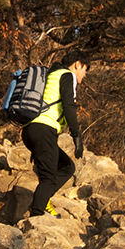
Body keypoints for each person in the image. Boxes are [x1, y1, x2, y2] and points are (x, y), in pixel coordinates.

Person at [23, 54, 89, 218]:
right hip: (44, 129)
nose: (85, 74)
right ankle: (36, 217)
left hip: (31, 128)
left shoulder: (51, 74)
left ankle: (43, 199)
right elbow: (68, 106)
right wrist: (77, 136)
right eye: (85, 69)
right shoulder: (68, 76)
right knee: (49, 179)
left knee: (67, 167)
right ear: (77, 64)